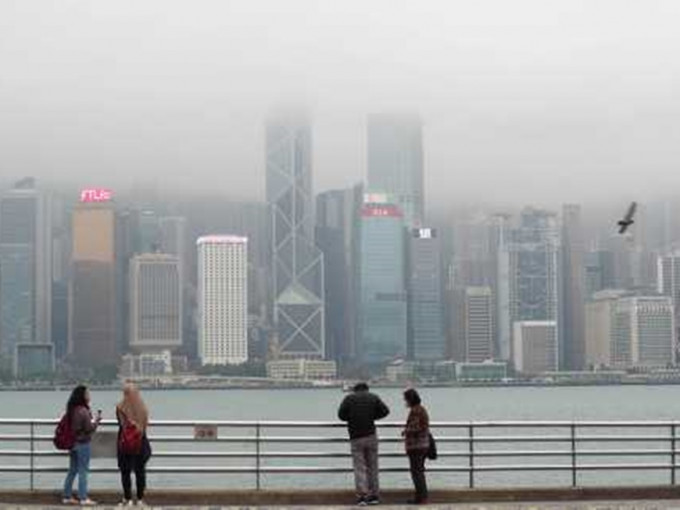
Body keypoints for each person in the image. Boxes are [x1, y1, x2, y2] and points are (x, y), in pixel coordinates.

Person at [338, 382, 390, 506]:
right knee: (373, 467)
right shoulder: (374, 397)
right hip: (371, 435)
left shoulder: (349, 398)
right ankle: (374, 496)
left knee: (359, 468)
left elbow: (341, 415)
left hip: (356, 436)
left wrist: (352, 418)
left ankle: (362, 497)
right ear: (367, 389)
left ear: (355, 390)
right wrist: (372, 416)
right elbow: (385, 411)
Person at [62, 385, 101, 506]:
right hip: (83, 444)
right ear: (83, 396)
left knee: (72, 470)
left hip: (73, 443)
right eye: (88, 393)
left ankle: (67, 496)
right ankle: (83, 498)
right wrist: (97, 421)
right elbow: (89, 429)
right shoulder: (83, 411)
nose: (89, 396)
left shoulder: (72, 409)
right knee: (83, 471)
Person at [116, 383, 152, 506]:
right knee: (140, 471)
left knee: (125, 472)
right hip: (140, 442)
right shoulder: (143, 407)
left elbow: (122, 426)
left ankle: (127, 498)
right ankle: (140, 499)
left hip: (125, 444)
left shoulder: (120, 407)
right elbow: (145, 425)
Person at [402, 388, 430, 505]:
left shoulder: (416, 411)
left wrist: (406, 431)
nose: (405, 402)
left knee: (416, 472)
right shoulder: (421, 409)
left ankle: (421, 498)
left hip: (416, 446)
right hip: (423, 445)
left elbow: (417, 427)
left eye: (406, 399)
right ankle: (420, 497)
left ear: (410, 400)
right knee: (419, 471)